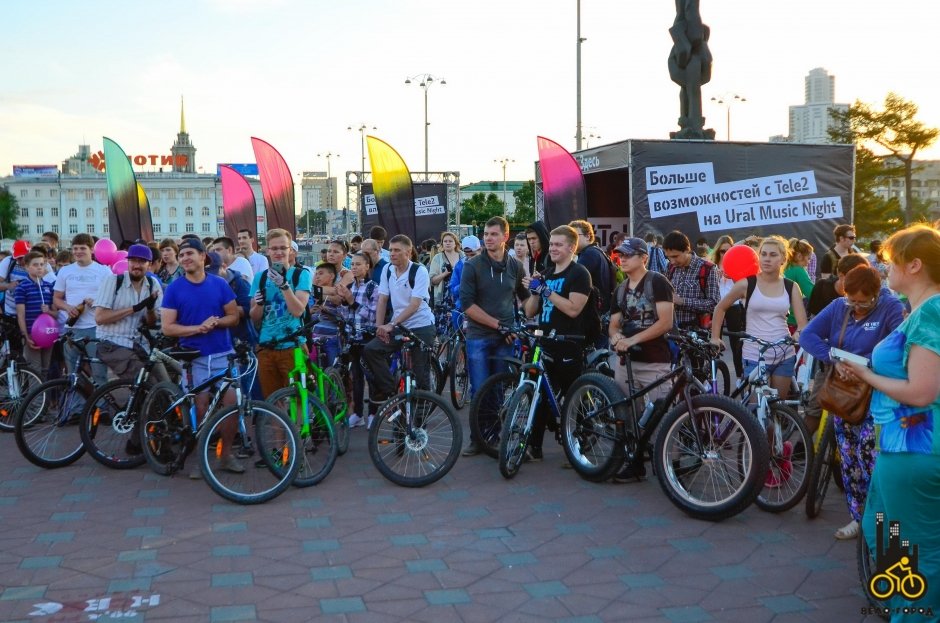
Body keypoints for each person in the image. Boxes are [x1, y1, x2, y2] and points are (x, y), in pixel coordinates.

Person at [835, 224, 940, 618]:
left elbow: (922, 391)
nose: (883, 268)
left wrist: (865, 375)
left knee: (913, 551)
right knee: (884, 530)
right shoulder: (924, 310)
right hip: (902, 447)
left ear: (914, 265)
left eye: (891, 261)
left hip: (914, 450)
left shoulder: (931, 311)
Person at [801, 265, 903, 540]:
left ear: (877, 295)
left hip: (876, 396)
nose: (856, 307)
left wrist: (869, 368)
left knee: (871, 459)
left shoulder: (891, 308)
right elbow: (807, 335)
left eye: (863, 302)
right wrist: (834, 358)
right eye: (852, 301)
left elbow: (901, 346)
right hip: (843, 395)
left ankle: (881, 520)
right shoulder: (837, 307)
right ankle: (858, 518)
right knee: (849, 460)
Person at [161, 238, 242, 478]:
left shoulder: (219, 284)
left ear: (202, 257)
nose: (185, 258)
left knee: (233, 404)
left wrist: (216, 322)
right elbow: (168, 328)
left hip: (222, 355)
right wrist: (197, 329)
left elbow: (234, 317)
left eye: (189, 254)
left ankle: (226, 455)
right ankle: (200, 459)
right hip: (193, 359)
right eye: (182, 254)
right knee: (200, 407)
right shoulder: (174, 288)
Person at [521, 225, 593, 462]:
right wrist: (534, 291)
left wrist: (546, 291)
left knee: (574, 398)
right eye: (551, 244)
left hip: (568, 343)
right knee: (537, 394)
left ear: (571, 247)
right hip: (544, 342)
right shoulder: (547, 273)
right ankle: (534, 446)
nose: (552, 248)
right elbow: (530, 310)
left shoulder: (579, 273)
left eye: (558, 244)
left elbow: (573, 309)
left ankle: (578, 446)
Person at [459, 217, 530, 457]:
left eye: (493, 234)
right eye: (485, 234)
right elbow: (467, 305)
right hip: (479, 336)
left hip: (505, 338)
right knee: (479, 389)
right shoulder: (472, 265)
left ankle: (494, 436)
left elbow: (525, 299)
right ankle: (477, 439)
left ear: (505, 237)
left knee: (499, 389)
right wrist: (498, 325)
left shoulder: (515, 266)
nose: (487, 238)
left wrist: (543, 294)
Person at [608, 237, 675, 480]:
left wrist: (633, 340)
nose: (622, 259)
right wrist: (616, 338)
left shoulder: (657, 282)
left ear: (644, 257)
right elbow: (614, 325)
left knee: (662, 416)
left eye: (628, 255)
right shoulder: (620, 289)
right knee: (627, 417)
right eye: (620, 255)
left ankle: (668, 465)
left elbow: (665, 322)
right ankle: (635, 463)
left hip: (655, 360)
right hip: (627, 363)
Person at [711, 236, 807, 401]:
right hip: (754, 354)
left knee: (778, 407)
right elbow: (720, 308)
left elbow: (802, 324)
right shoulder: (746, 284)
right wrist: (715, 337)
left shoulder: (791, 286)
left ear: (783, 258)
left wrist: (798, 333)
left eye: (773, 255)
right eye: (763, 254)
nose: (767, 259)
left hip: (783, 353)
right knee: (757, 411)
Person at [363, 235, 436, 402]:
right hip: (397, 324)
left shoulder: (419, 271)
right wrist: (379, 327)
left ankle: (419, 421)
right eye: (391, 250)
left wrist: (391, 324)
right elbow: (382, 299)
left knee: (420, 375)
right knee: (371, 350)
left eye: (397, 250)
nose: (392, 254)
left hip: (420, 325)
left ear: (408, 252)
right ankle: (393, 393)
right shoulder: (388, 270)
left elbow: (414, 305)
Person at [249, 229, 311, 397]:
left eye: (283, 248)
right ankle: (278, 425)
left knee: (298, 399)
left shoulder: (300, 274)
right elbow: (254, 316)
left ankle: (297, 425)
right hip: (266, 346)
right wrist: (259, 304)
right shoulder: (260, 278)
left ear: (290, 249)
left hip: (293, 345)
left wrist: (284, 286)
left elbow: (298, 311)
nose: (278, 252)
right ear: (267, 251)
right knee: (272, 400)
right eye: (274, 248)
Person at [94, 244, 162, 381]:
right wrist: (135, 308)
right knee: (146, 382)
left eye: (142, 261)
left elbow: (152, 322)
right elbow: (100, 318)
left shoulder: (152, 284)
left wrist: (149, 309)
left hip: (139, 344)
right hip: (112, 343)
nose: (137, 265)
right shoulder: (113, 281)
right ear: (128, 262)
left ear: (149, 265)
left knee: (164, 382)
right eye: (133, 261)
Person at [53, 234, 111, 386]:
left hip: (96, 328)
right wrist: (67, 307)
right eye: (75, 248)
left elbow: (113, 298)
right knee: (73, 374)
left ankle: (103, 407)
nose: (78, 251)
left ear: (92, 249)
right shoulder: (65, 271)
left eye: (82, 248)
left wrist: (98, 302)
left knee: (99, 373)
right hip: (72, 328)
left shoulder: (104, 271)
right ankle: (78, 408)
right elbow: (57, 298)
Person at [336, 251, 379, 428]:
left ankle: (374, 414)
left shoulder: (373, 287)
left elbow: (373, 315)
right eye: (352, 264)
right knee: (356, 378)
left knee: (372, 377)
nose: (354, 267)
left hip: (367, 338)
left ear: (367, 266)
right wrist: (344, 302)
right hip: (352, 338)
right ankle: (358, 413)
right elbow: (344, 314)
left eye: (358, 264)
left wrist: (352, 301)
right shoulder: (350, 287)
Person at [662, 230, 720, 329]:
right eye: (668, 257)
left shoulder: (707, 269)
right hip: (671, 330)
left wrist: (682, 301)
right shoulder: (670, 267)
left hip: (696, 333)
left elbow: (714, 304)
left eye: (675, 256)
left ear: (687, 250)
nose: (672, 261)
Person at [15, 251, 57, 375]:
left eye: (42, 264)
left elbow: (56, 314)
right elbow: (20, 314)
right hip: (32, 334)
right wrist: (26, 335)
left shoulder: (50, 286)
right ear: (27, 267)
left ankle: (44, 394)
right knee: (34, 370)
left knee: (45, 369)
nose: (39, 267)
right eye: (35, 265)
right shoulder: (22, 287)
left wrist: (48, 311)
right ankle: (37, 395)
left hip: (49, 333)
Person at [570, 219, 614, 330]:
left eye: (575, 235)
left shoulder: (589, 254)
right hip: (600, 313)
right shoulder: (597, 252)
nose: (571, 240)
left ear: (588, 236)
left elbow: (573, 280)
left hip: (593, 315)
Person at [711, 235, 744, 377]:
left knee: (736, 343)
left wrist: (734, 276)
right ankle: (712, 377)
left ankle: (739, 377)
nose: (725, 254)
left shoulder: (738, 264)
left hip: (734, 306)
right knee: (713, 343)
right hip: (716, 306)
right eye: (722, 251)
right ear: (718, 251)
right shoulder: (712, 266)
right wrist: (716, 276)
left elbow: (744, 287)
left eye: (728, 251)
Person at [807, 253, 869, 318]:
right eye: (854, 279)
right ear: (840, 274)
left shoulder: (865, 294)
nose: (859, 283)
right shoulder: (822, 287)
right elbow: (814, 318)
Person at [784, 238, 814, 331]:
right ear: (800, 256)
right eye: (808, 259)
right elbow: (812, 293)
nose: (809, 262)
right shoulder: (799, 270)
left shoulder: (784, 267)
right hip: (793, 320)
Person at [0, 240, 33, 318]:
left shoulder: (38, 262)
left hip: (31, 311)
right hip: (10, 311)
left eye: (23, 257)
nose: (21, 261)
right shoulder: (8, 261)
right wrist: (8, 286)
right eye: (18, 258)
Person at [428, 232, 462, 306]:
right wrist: (444, 274)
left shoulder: (463, 256)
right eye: (445, 241)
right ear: (442, 244)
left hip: (461, 296)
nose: (447, 243)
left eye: (450, 241)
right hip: (443, 299)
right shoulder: (437, 258)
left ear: (455, 243)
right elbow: (432, 281)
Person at [449, 235, 480, 314]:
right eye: (467, 255)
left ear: (480, 250)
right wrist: (465, 284)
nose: (470, 258)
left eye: (473, 255)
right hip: (463, 308)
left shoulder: (487, 264)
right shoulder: (459, 265)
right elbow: (453, 289)